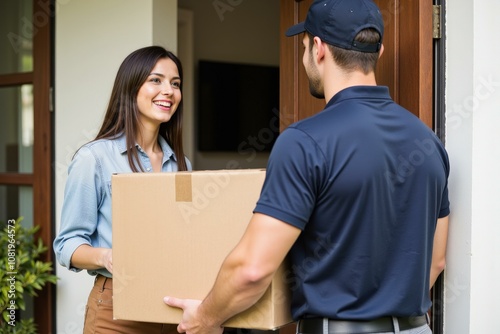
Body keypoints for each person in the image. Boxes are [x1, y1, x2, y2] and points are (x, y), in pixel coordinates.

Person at [164, 0, 450, 334]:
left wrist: (205, 318)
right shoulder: (428, 142)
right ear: (379, 51)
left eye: (302, 48)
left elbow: (252, 270)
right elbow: (436, 261)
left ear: (318, 48)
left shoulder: (303, 141)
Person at [54, 45, 190, 334]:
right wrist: (107, 257)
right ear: (131, 88)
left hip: (173, 307)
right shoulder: (95, 159)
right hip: (115, 311)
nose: (168, 90)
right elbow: (67, 244)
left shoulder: (182, 164)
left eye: (175, 84)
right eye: (156, 80)